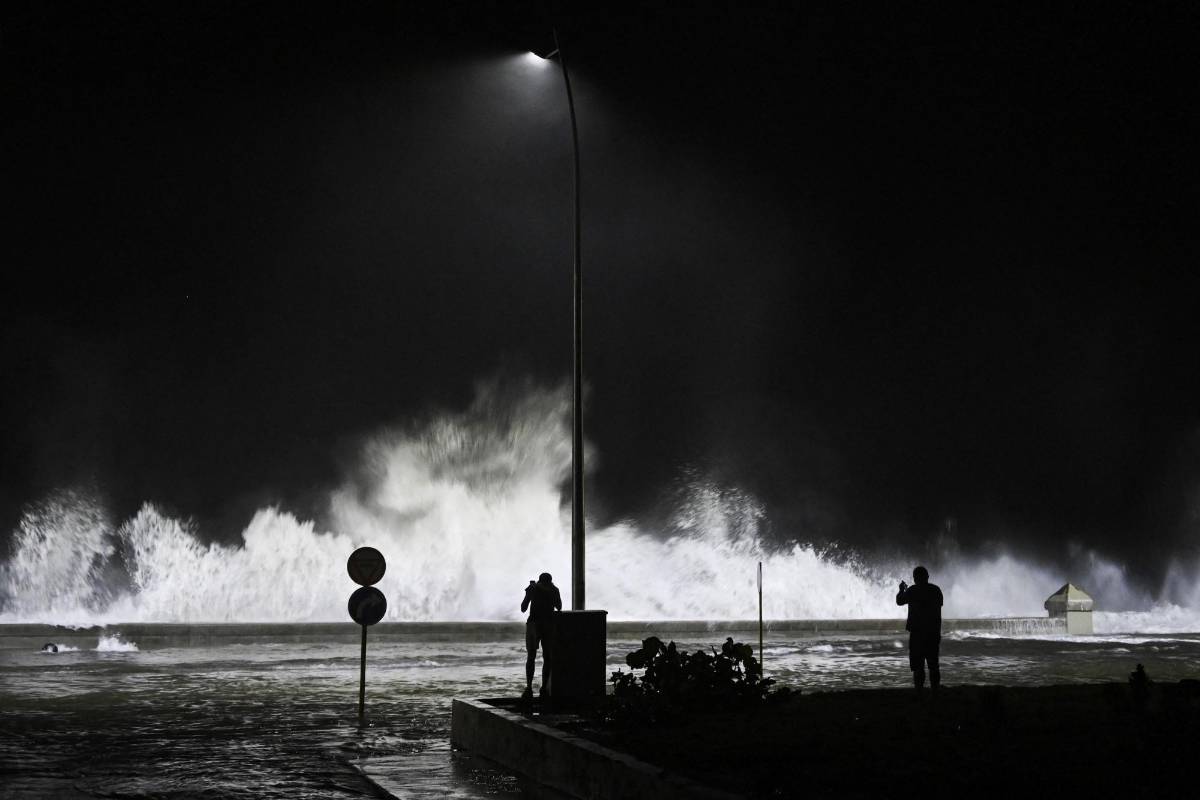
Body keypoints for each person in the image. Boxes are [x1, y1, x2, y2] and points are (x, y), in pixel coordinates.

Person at [896, 565, 943, 693]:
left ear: (915, 578)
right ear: (927, 577)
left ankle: (919, 692)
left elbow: (899, 601)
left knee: (918, 667)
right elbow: (938, 611)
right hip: (933, 633)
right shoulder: (936, 590)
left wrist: (902, 590)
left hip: (917, 634)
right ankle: (935, 692)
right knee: (933, 666)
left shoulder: (912, 591)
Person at [521, 572, 562, 699]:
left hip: (534, 624)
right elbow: (559, 607)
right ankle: (543, 688)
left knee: (531, 656)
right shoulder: (554, 589)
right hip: (548, 624)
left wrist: (529, 593)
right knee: (547, 657)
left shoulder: (535, 589)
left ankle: (529, 688)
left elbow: (523, 608)